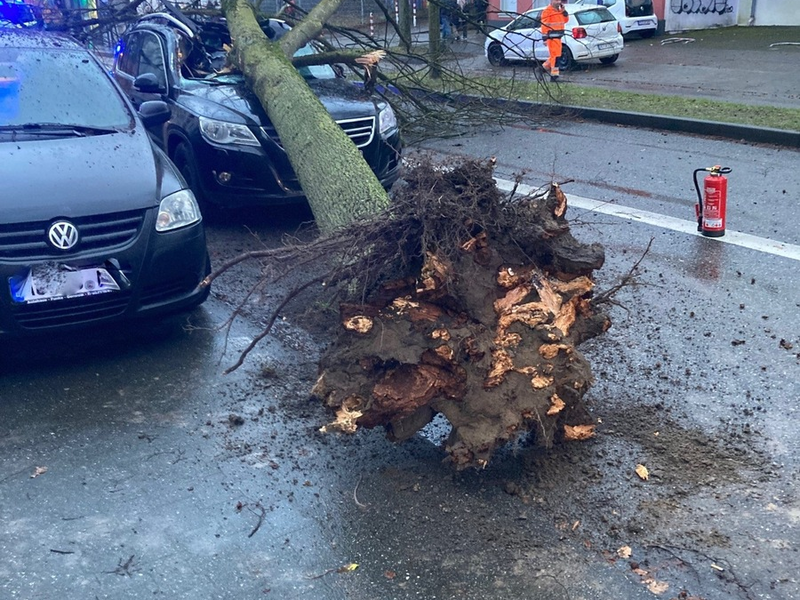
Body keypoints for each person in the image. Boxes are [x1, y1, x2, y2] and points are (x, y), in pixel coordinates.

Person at [540, 0, 569, 82]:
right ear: (551, 1)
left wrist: (564, 11)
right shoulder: (547, 11)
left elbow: (565, 20)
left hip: (558, 37)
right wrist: (545, 38)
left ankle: (541, 69)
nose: (558, 2)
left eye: (559, 0)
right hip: (551, 38)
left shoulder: (559, 11)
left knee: (555, 56)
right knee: (555, 57)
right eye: (556, 0)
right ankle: (554, 76)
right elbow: (544, 25)